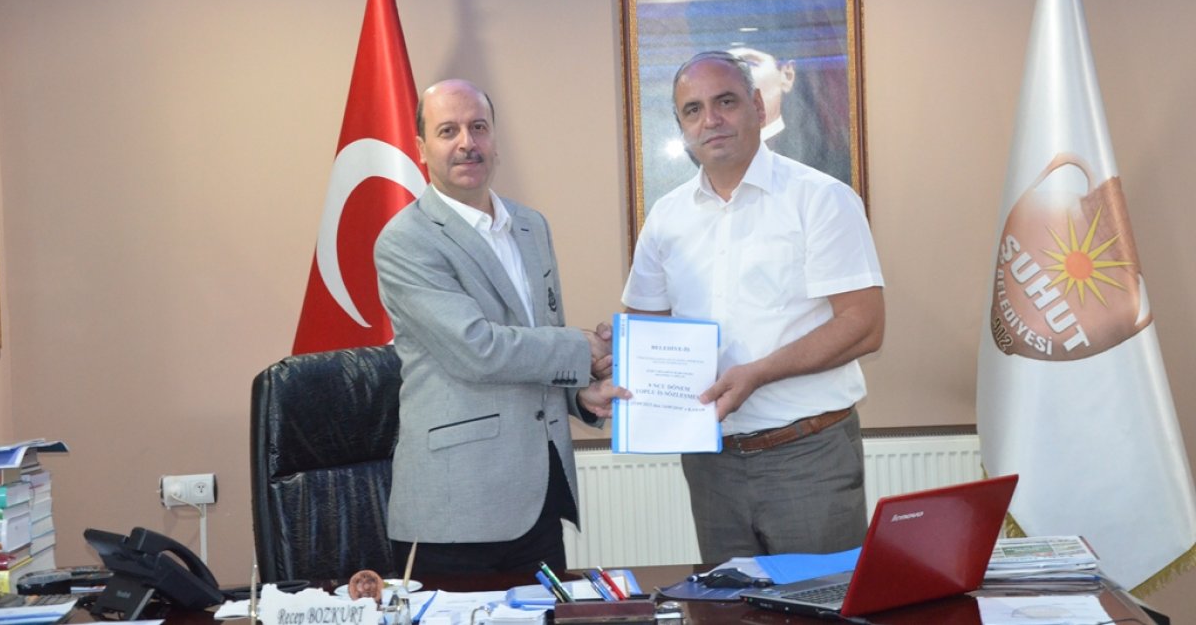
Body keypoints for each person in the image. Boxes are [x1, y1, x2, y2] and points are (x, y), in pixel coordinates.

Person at [621, 51, 885, 563]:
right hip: (711, 464)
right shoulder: (666, 217)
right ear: (681, 126)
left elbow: (864, 325)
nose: (710, 119)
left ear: (759, 108)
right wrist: (613, 353)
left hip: (808, 456)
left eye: (726, 102)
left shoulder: (820, 198)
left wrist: (757, 374)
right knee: (728, 602)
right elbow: (645, 328)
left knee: (820, 602)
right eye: (693, 110)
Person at [374, 78, 627, 575]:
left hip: (540, 496)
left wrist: (580, 395)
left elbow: (538, 341)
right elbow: (478, 349)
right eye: (448, 131)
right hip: (457, 508)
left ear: (495, 140)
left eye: (479, 127)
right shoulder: (406, 240)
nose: (467, 142)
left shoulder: (531, 226)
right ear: (421, 148)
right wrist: (583, 349)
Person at [728, 45, 852, 184]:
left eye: (749, 64)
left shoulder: (827, 162)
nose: (731, 78)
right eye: (724, 69)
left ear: (787, 75)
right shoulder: (711, 160)